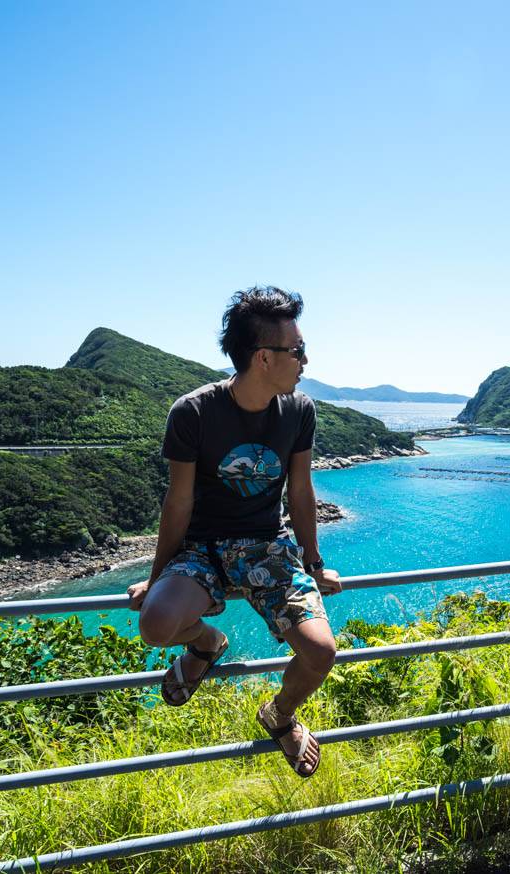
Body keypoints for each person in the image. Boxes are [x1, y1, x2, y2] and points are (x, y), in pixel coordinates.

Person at [126, 286, 342, 778]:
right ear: (263, 357)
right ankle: (205, 643)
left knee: (320, 653)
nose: (305, 359)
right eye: (297, 350)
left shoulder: (299, 410)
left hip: (268, 547)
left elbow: (300, 491)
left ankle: (279, 714)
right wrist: (158, 577)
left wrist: (312, 561)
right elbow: (178, 501)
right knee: (156, 626)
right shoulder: (194, 413)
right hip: (202, 549)